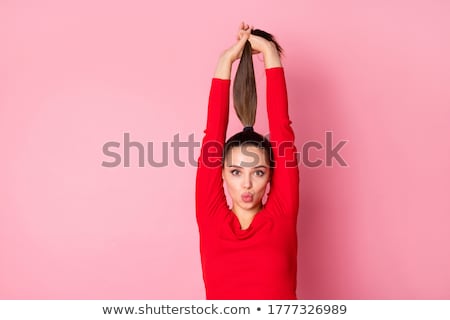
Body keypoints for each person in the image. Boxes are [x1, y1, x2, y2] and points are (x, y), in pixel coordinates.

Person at [196, 22, 299, 300]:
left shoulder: (281, 215)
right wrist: (225, 60)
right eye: (236, 171)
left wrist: (267, 50)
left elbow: (282, 129)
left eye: (258, 172)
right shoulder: (211, 218)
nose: (247, 184)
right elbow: (213, 136)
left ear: (271, 176)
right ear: (222, 174)